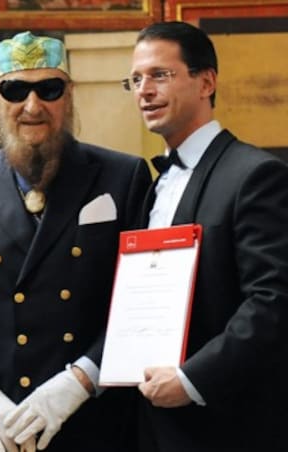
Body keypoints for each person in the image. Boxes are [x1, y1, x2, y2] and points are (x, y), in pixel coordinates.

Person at [0, 31, 152, 452]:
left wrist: (81, 380)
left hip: (97, 421)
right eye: (15, 90)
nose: (32, 106)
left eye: (48, 89)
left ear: (68, 96)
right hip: (1, 429)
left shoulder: (123, 177)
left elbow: (140, 305)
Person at [127, 21, 288, 452]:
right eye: (136, 79)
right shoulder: (150, 183)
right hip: (154, 422)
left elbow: (274, 300)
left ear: (207, 82)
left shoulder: (255, 175)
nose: (144, 90)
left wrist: (192, 379)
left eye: (160, 75)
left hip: (229, 424)